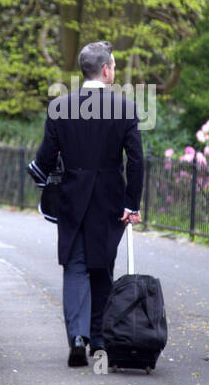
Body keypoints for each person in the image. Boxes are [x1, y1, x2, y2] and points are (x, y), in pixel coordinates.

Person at [30, 41, 143, 367]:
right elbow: (135, 160)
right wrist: (131, 203)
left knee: (76, 266)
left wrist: (47, 185)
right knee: (102, 266)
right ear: (106, 69)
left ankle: (77, 337)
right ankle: (99, 339)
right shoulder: (125, 107)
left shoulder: (60, 107)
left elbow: (44, 161)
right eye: (115, 67)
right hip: (110, 198)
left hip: (73, 196)